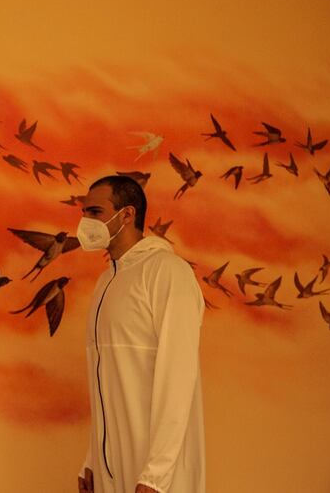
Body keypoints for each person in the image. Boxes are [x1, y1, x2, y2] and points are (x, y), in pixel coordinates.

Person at [76, 176, 205, 493]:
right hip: (113, 467)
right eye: (84, 213)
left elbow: (178, 375)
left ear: (127, 214)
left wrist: (155, 476)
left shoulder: (168, 272)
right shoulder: (106, 282)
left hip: (157, 472)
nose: (85, 222)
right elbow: (106, 379)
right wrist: (92, 458)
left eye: (95, 211)